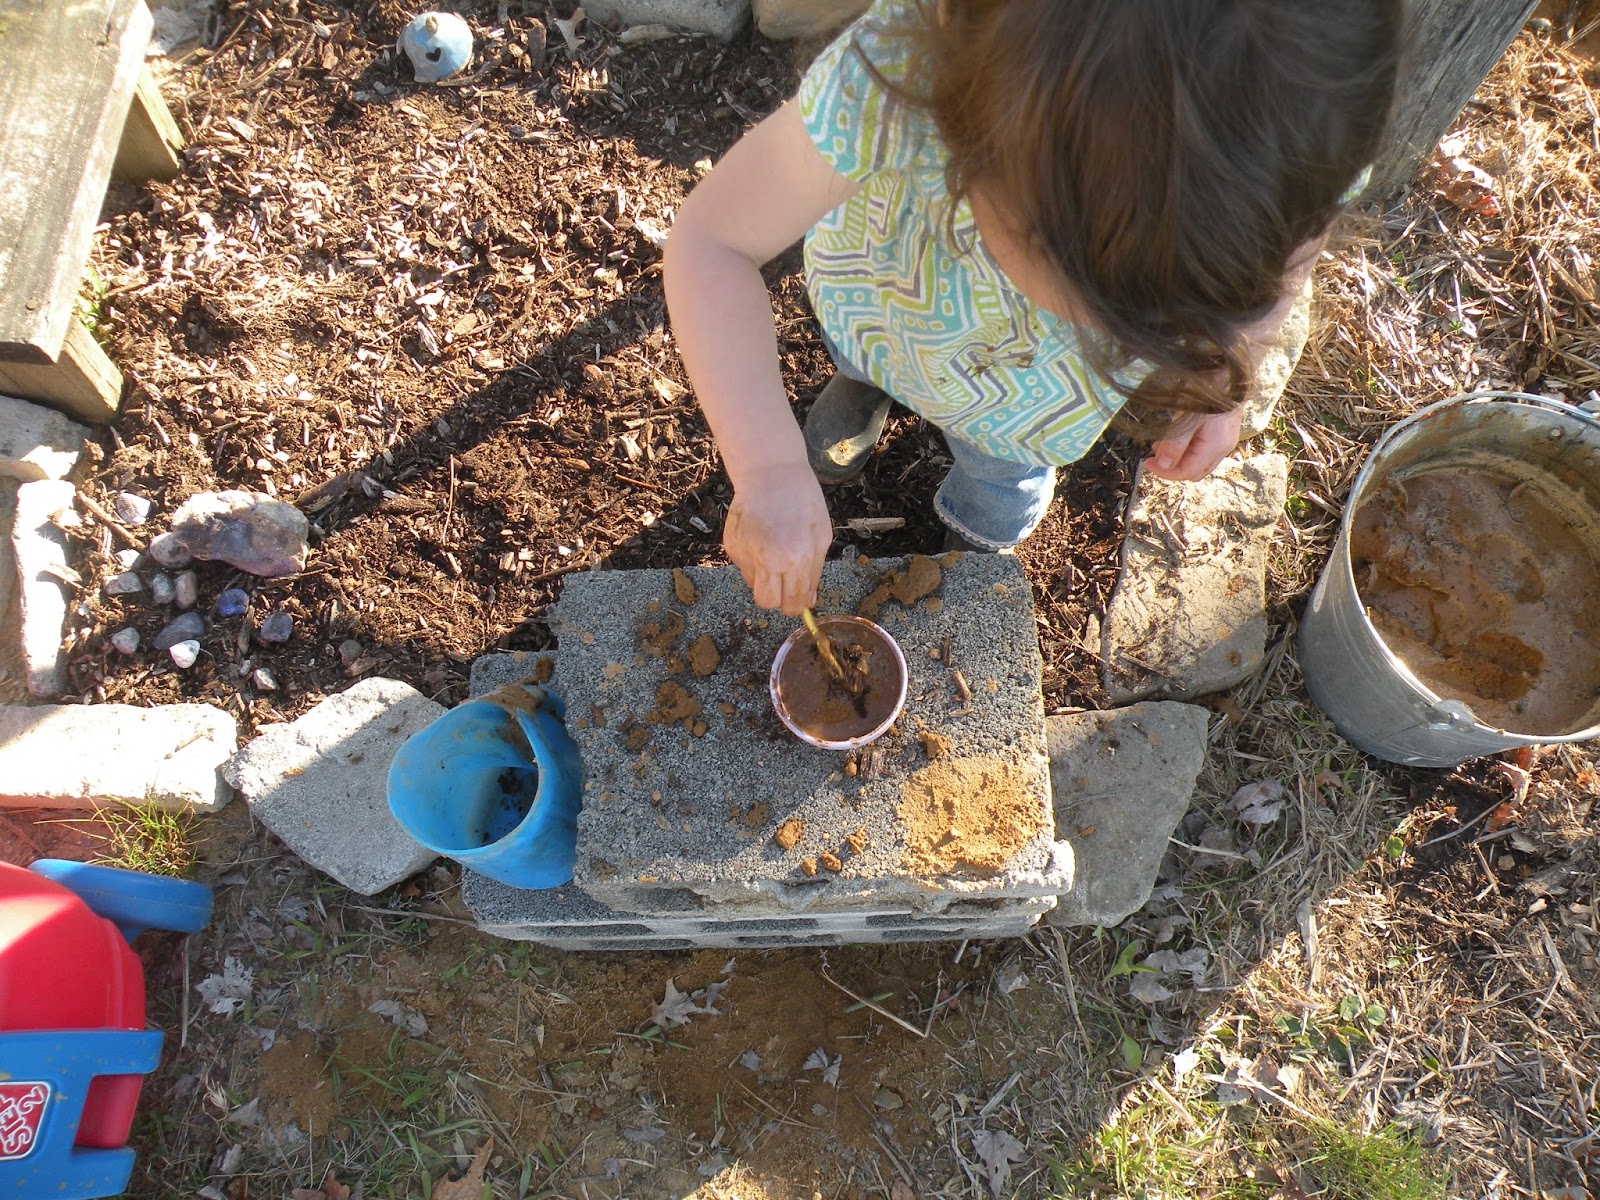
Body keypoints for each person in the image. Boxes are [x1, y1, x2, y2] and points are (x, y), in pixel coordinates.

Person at [664, 0, 1401, 616]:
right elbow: (714, 243)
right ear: (971, 118)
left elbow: (1287, 262)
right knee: (860, 355)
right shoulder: (893, 80)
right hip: (883, 308)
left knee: (1001, 473)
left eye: (1156, 315)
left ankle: (978, 528)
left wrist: (1220, 376)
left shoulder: (1298, 136)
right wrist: (766, 467)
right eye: (1091, 293)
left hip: (1030, 404)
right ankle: (865, 386)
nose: (1108, 330)